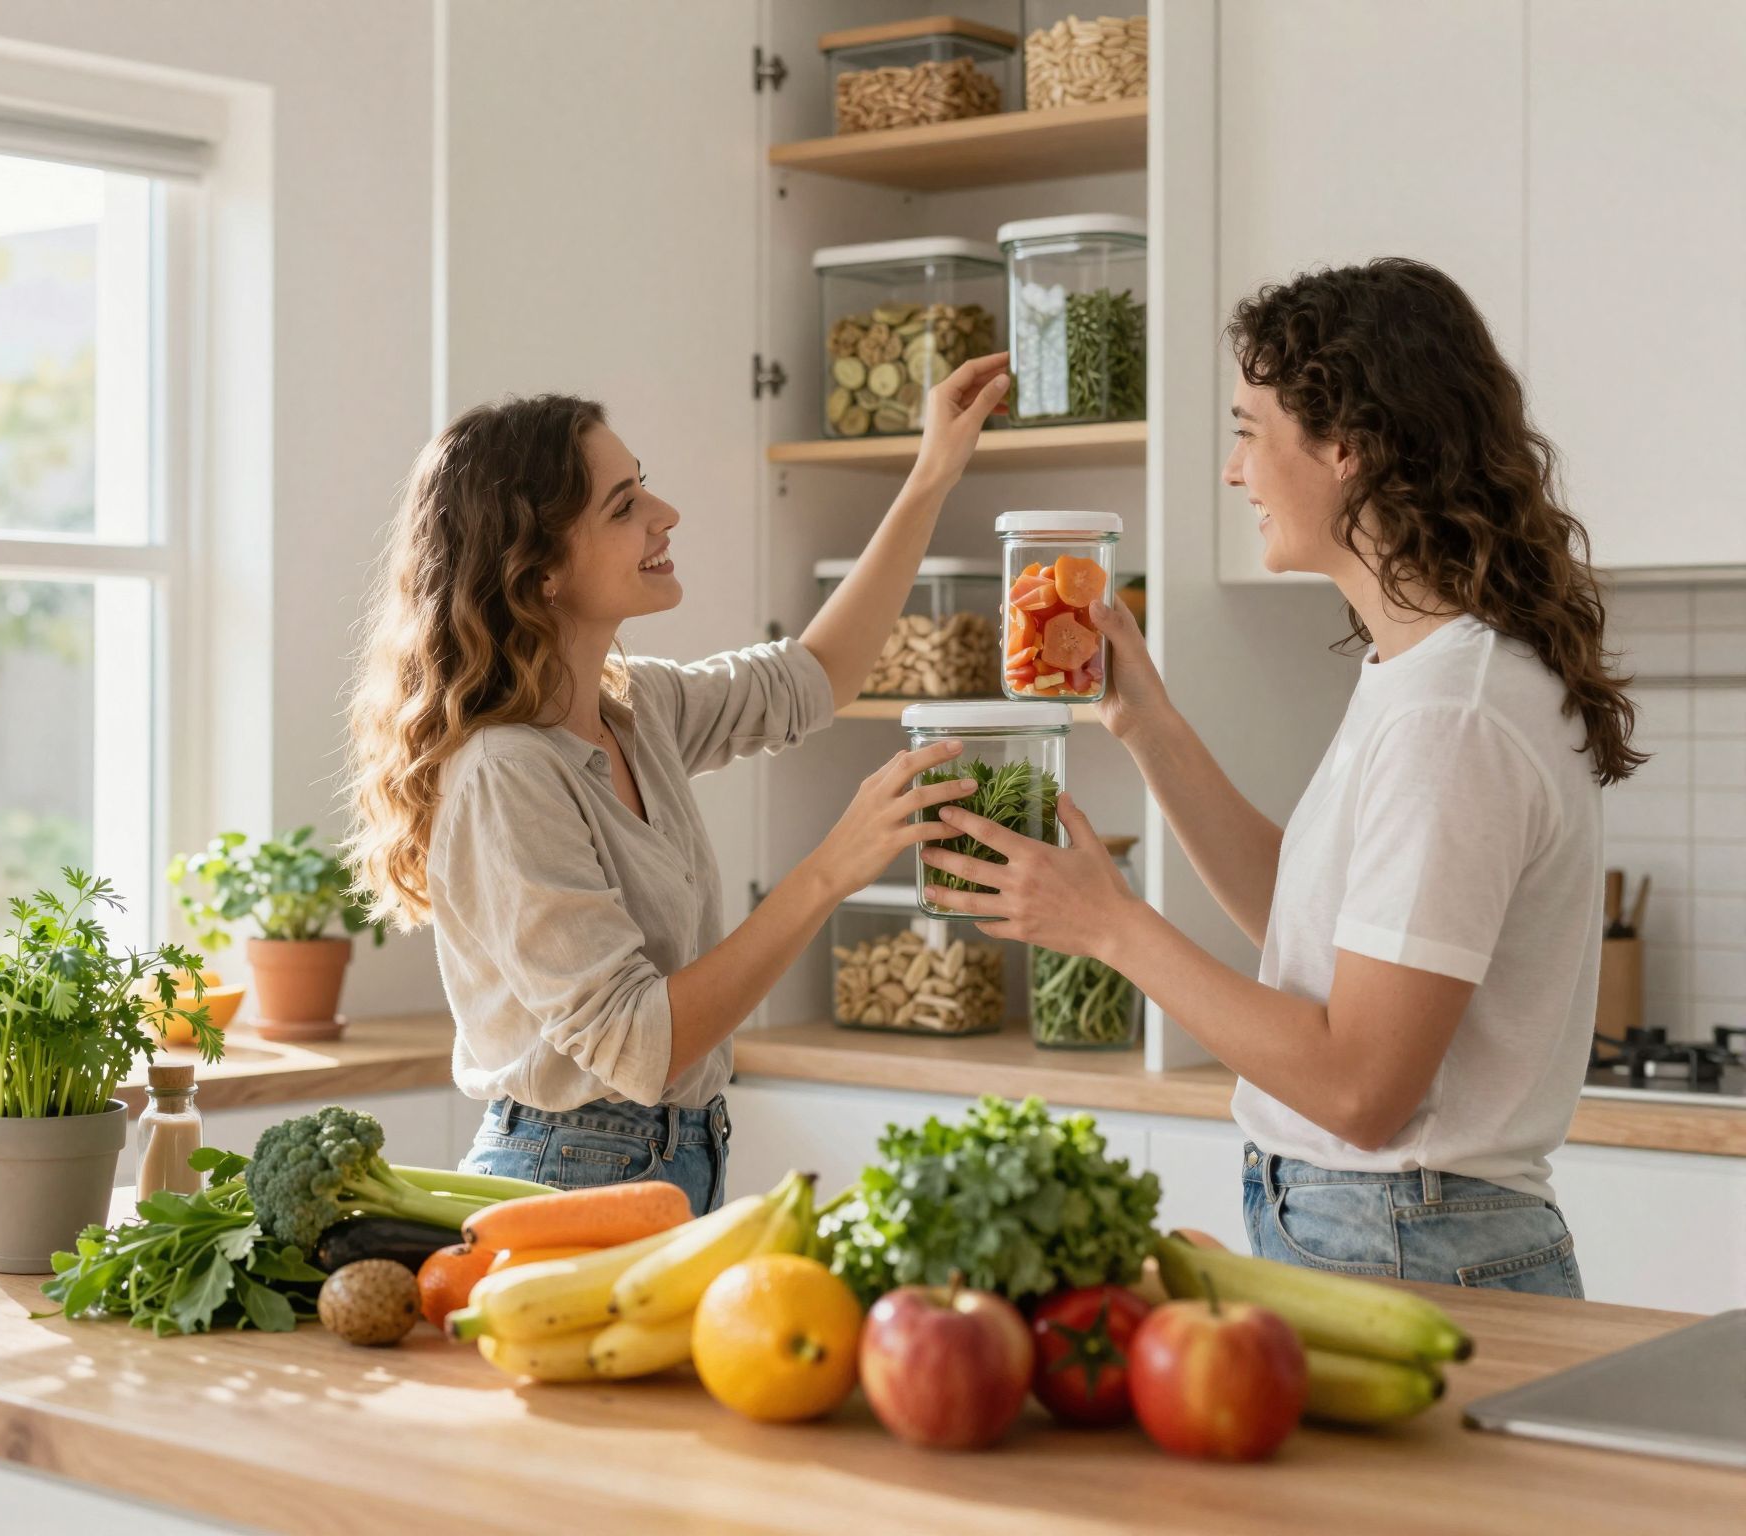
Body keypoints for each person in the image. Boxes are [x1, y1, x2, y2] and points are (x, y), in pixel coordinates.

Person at [921, 259, 1640, 1296]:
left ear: (1344, 445)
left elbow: (1358, 1087)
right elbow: (1304, 932)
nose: (1231, 470)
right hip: (1378, 1224)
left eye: (1247, 430)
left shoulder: (1451, 714)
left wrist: (1108, 925)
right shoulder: (1417, 674)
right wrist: (1146, 725)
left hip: (1406, 1235)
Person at [346, 356, 1012, 1214]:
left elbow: (818, 677)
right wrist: (831, 870)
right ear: (540, 569)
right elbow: (640, 1046)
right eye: (624, 507)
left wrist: (931, 474)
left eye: (643, 488)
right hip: (565, 1174)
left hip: (672, 1155)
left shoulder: (634, 710)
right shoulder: (506, 774)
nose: (666, 515)